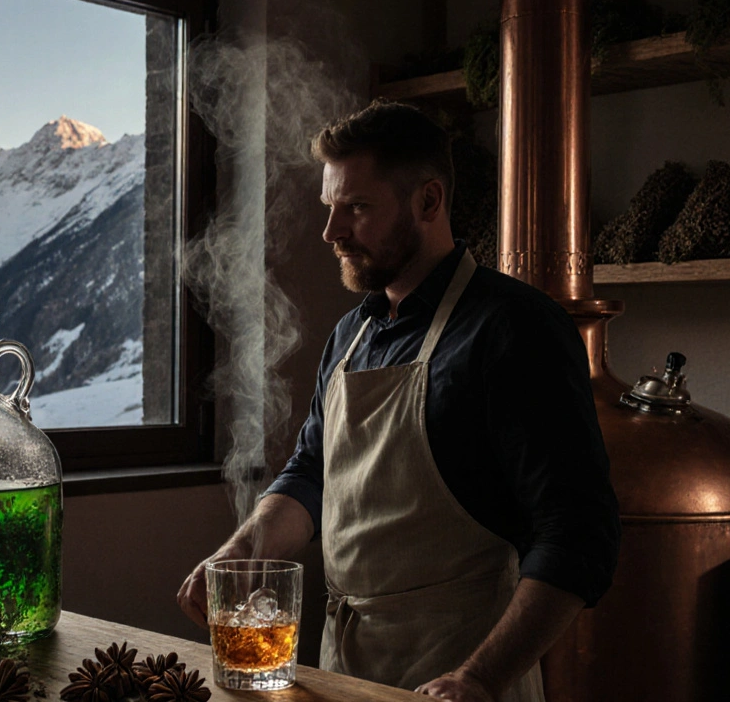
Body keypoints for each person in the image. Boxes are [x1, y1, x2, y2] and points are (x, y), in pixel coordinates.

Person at [177, 101, 620, 702]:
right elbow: (314, 473)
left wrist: (480, 677)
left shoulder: (514, 328)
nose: (332, 232)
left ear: (429, 202)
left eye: (356, 208)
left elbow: (577, 534)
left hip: (461, 673)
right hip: (345, 664)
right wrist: (241, 551)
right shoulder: (351, 334)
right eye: (330, 208)